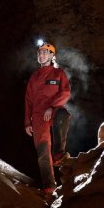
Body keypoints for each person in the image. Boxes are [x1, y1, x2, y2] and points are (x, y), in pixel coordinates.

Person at [24, 41, 71, 195]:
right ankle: (49, 185)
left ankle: (58, 153)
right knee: (43, 150)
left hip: (55, 109)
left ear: (52, 55)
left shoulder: (59, 74)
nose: (41, 55)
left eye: (45, 52)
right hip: (38, 116)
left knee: (64, 115)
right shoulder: (34, 77)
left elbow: (65, 93)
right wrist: (27, 122)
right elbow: (28, 100)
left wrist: (52, 107)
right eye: (39, 53)